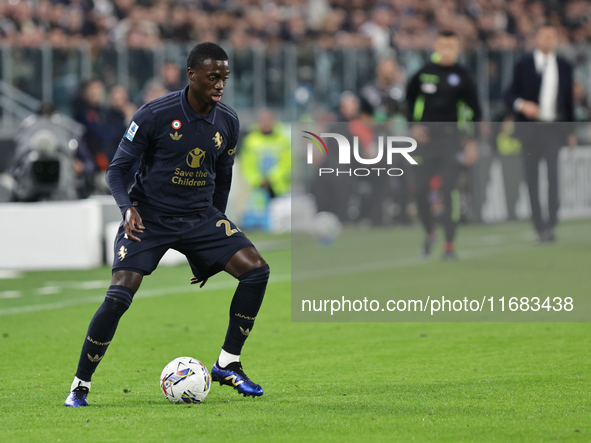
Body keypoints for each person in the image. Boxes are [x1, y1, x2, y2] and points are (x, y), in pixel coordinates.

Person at [64, 42, 269, 407]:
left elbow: (223, 179)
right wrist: (127, 208)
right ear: (191, 75)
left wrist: (214, 243)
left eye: (224, 77)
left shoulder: (229, 120)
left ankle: (228, 363)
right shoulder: (154, 114)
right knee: (118, 296)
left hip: (200, 217)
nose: (220, 84)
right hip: (150, 216)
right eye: (213, 77)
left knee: (256, 270)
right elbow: (117, 170)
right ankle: (80, 384)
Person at [405, 30, 482, 259]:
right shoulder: (424, 73)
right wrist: (413, 126)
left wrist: (472, 142)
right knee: (419, 191)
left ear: (457, 49)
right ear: (436, 47)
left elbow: (475, 111)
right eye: (443, 46)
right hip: (426, 141)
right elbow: (409, 99)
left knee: (449, 190)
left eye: (451, 46)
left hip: (451, 141)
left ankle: (449, 244)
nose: (446, 51)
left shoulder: (463, 76)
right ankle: (430, 231)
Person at [504, 24, 575, 244]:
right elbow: (508, 95)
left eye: (551, 36)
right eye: (544, 36)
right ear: (536, 39)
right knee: (531, 179)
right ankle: (539, 226)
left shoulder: (564, 66)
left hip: (553, 129)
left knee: (553, 176)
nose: (548, 40)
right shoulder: (523, 64)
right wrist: (522, 105)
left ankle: (551, 222)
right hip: (529, 130)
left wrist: (570, 131)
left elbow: (568, 101)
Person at [240, 109, 291, 199]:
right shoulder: (250, 140)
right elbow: (246, 164)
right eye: (263, 120)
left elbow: (286, 163)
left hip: (279, 188)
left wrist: (271, 178)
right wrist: (258, 180)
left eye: (268, 120)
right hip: (257, 188)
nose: (266, 123)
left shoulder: (282, 139)